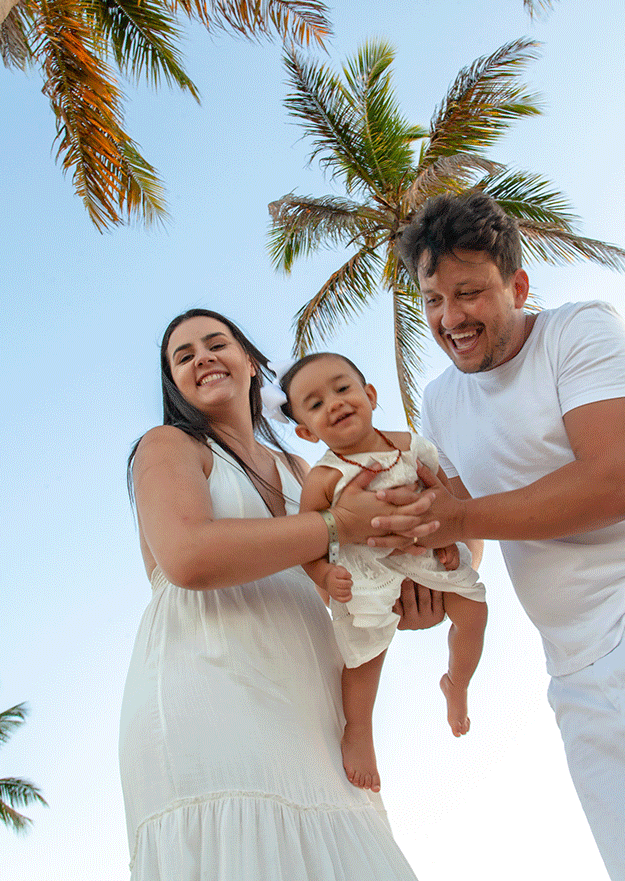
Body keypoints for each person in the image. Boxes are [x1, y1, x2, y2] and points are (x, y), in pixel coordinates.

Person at [371, 192, 625, 881]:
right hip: (574, 674)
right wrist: (424, 582)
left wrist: (459, 520)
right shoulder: (439, 399)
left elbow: (620, 481)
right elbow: (465, 532)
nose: (449, 318)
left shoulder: (580, 331)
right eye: (432, 300)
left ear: (516, 286)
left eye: (468, 293)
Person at [119, 308, 440, 880]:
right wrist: (338, 524)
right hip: (209, 688)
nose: (203, 358)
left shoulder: (302, 467)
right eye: (184, 356)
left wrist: (409, 600)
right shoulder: (168, 445)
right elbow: (189, 557)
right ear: (175, 383)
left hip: (310, 698)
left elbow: (360, 561)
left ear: (248, 360)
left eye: (216, 344)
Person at [278, 352, 487, 794]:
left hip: (426, 554)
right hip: (366, 571)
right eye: (314, 405)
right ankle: (359, 730)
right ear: (304, 431)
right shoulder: (322, 478)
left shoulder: (411, 446)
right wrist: (321, 575)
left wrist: (448, 542)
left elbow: (446, 501)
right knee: (362, 655)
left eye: (342, 388)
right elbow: (308, 541)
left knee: (475, 612)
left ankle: (458, 682)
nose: (333, 404)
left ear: (370, 395)